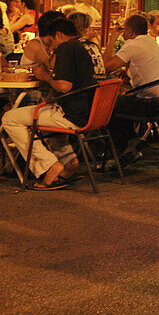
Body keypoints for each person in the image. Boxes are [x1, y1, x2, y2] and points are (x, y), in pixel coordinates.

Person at [2, 17, 95, 189]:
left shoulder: (67, 48)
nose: (52, 47)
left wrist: (44, 76)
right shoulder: (87, 46)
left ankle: (49, 165)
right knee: (45, 111)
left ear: (59, 35)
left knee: (9, 118)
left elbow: (63, 86)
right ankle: (68, 161)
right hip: (90, 113)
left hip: (71, 114)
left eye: (52, 42)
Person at [103, 13, 159, 164]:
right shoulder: (150, 41)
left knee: (107, 106)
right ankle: (131, 144)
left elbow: (104, 68)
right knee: (120, 102)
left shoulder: (132, 44)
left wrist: (112, 39)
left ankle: (123, 151)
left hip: (149, 104)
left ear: (129, 32)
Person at [67, 11, 106, 77]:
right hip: (97, 85)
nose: (90, 29)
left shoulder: (71, 46)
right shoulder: (92, 46)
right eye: (88, 26)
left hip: (83, 86)